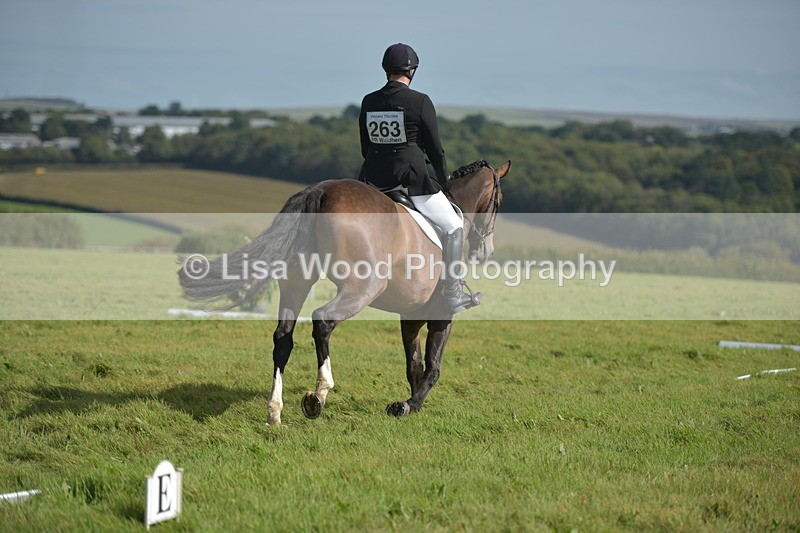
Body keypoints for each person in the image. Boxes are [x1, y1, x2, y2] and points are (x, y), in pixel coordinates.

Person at [358, 43, 478, 313]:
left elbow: (365, 147)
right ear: (412, 71)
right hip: (412, 182)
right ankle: (453, 293)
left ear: (386, 69)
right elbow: (435, 149)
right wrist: (443, 179)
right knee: (454, 225)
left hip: (373, 181)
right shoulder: (420, 101)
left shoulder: (369, 101)